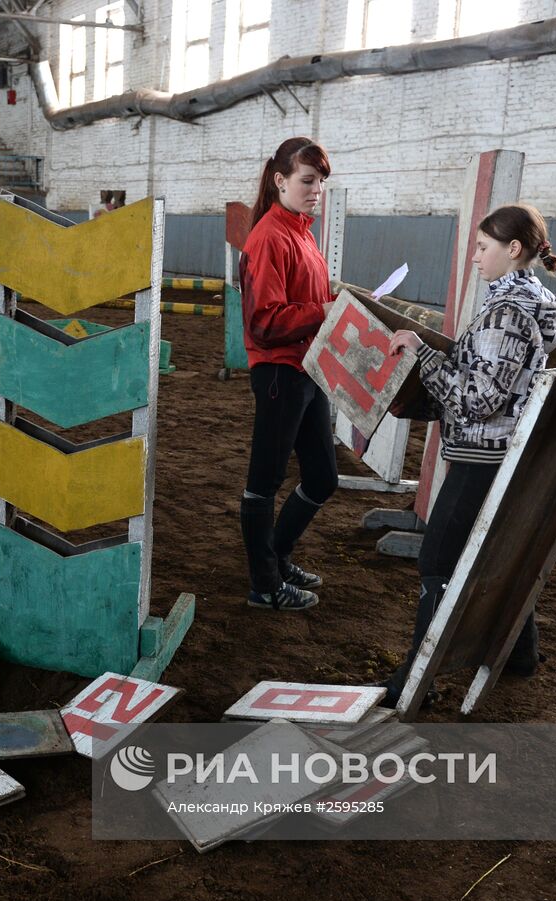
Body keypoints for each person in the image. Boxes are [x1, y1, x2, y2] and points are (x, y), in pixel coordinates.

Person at [379, 203, 556, 708]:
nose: (474, 258)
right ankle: (521, 655)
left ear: (513, 250)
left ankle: (417, 679)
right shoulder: (526, 300)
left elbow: (479, 399)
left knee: (438, 556)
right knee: (493, 552)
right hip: (501, 451)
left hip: (481, 453)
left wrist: (422, 352)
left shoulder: (507, 310)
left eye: (483, 248)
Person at [238, 136, 340, 611]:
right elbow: (264, 322)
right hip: (280, 371)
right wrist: (324, 310)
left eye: (320, 181)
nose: (316, 188)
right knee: (265, 479)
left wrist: (332, 303)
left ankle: (274, 555)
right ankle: (265, 584)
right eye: (307, 180)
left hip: (307, 368)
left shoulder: (303, 232)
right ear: (280, 180)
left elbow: (309, 299)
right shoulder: (268, 237)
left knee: (322, 476)